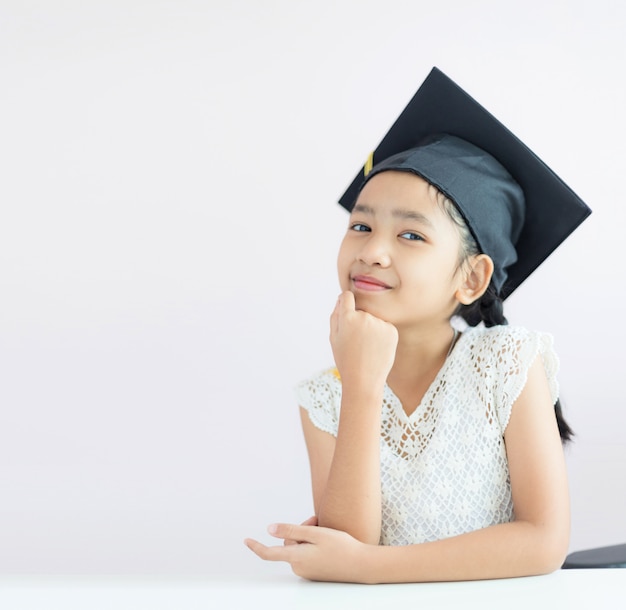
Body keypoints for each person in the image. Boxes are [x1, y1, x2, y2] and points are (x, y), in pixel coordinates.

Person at [244, 68, 591, 583]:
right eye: (361, 226)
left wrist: (370, 566)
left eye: (410, 235)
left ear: (472, 278)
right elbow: (348, 550)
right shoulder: (325, 397)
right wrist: (360, 386)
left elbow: (543, 542)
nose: (372, 252)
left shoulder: (507, 363)